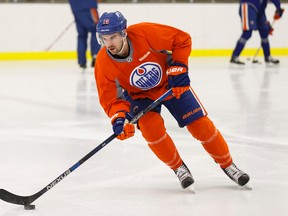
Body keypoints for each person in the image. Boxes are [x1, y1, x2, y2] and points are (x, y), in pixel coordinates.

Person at [94, 11, 250, 190]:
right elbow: (111, 99)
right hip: (139, 96)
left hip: (170, 84)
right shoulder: (103, 63)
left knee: (200, 125)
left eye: (113, 37)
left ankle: (228, 165)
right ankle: (178, 168)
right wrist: (120, 118)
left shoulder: (144, 33)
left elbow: (181, 39)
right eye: (104, 39)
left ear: (124, 33)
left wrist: (179, 66)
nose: (109, 44)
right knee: (152, 131)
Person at [230, 0, 284, 65]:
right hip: (248, 5)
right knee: (247, 33)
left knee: (264, 32)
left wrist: (267, 25)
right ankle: (235, 56)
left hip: (259, 10)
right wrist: (278, 8)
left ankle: (267, 56)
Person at [69, 0, 101, 69]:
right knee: (96, 30)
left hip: (76, 8)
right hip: (88, 6)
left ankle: (81, 61)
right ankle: (95, 55)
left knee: (81, 35)